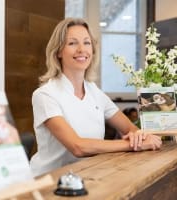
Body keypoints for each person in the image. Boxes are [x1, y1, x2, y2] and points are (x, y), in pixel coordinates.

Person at [30, 18, 162, 177]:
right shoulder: (45, 95)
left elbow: (131, 128)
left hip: (89, 175)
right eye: (72, 43)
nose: (81, 49)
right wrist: (132, 145)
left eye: (86, 43)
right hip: (49, 181)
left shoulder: (94, 92)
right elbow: (78, 147)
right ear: (58, 51)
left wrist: (137, 136)